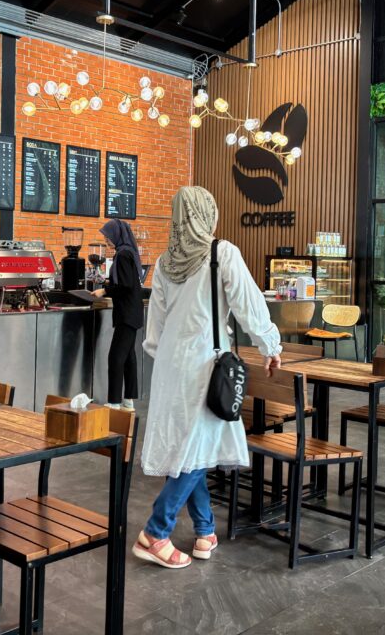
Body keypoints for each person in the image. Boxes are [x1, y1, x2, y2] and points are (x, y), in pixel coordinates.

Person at [133, 186, 282, 569]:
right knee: (196, 448)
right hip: (205, 365)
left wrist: (169, 359)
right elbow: (249, 305)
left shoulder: (166, 262)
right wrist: (270, 345)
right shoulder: (222, 253)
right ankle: (155, 531)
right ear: (208, 214)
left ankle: (205, 531)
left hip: (169, 366)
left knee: (191, 445)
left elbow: (155, 332)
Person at [92, 218, 144, 411]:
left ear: (117, 235)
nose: (106, 241)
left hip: (127, 314)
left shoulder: (122, 255)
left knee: (115, 357)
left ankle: (113, 402)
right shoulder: (128, 252)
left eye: (108, 237)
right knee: (128, 356)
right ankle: (128, 400)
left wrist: (104, 291)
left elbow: (124, 285)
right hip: (133, 313)